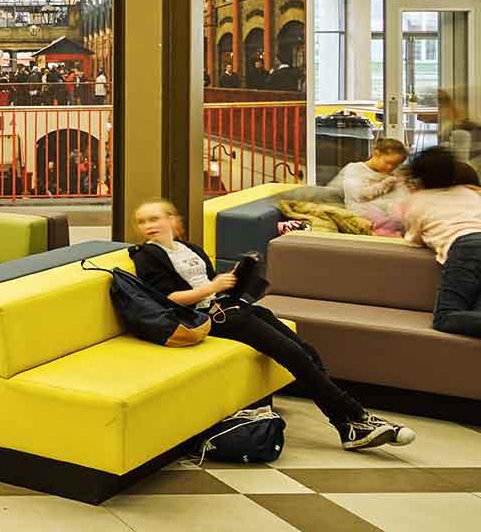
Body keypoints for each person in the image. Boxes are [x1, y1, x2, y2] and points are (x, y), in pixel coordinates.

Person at [131, 199, 410, 450]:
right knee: (293, 354)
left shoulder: (189, 249)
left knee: (306, 349)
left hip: (228, 307)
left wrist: (233, 280)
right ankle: (356, 418)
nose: (148, 226)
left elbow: (211, 285)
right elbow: (170, 298)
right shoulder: (146, 255)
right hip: (204, 320)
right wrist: (212, 288)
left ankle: (346, 424)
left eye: (154, 218)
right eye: (142, 221)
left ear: (172, 220)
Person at [402, 145, 481, 337]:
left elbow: (414, 240)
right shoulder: (469, 193)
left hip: (465, 248)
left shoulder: (417, 201)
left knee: (444, 318)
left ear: (419, 177)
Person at [337, 137, 409, 222]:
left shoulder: (395, 174)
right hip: (363, 220)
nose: (390, 167)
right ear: (376, 154)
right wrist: (384, 184)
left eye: (396, 165)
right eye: (388, 162)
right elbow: (359, 196)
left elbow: (403, 198)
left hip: (392, 222)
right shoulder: (355, 169)